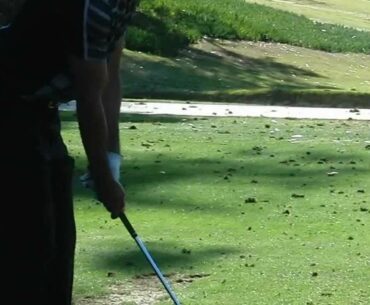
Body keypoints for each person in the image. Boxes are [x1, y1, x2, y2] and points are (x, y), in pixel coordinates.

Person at [0, 0, 139, 304]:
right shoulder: (92, 6)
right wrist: (103, 178)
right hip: (9, 110)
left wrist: (111, 158)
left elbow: (110, 79)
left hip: (39, 114)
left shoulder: (123, 5)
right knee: (32, 243)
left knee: (61, 241)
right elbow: (89, 98)